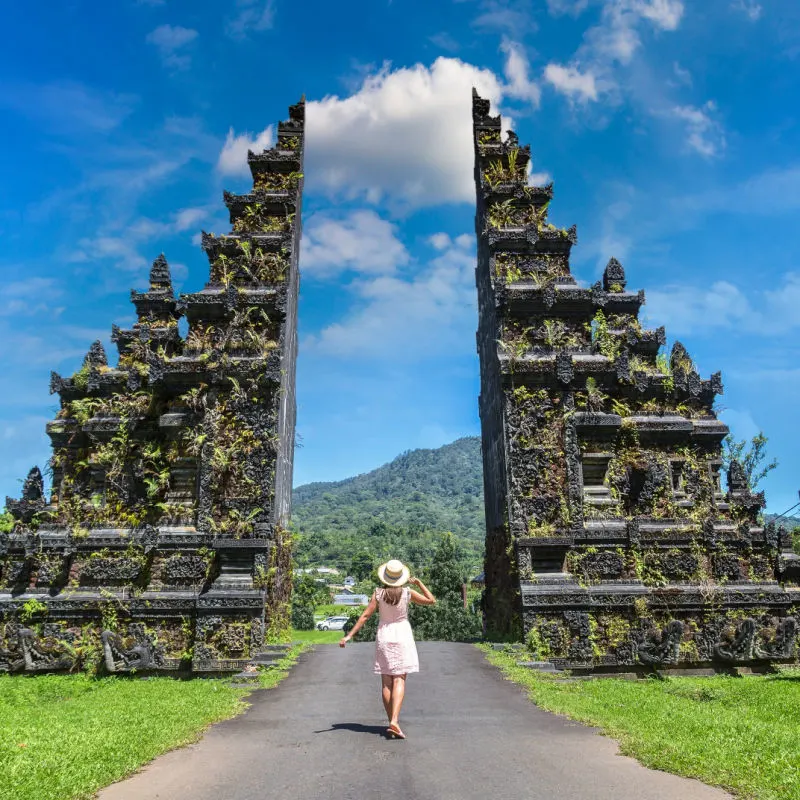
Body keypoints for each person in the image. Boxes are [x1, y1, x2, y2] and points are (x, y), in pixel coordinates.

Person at [339, 559, 436, 739]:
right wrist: (420, 583)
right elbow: (431, 600)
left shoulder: (378, 593)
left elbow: (365, 615)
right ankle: (395, 720)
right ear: (402, 578)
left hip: (384, 635)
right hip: (403, 635)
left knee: (386, 682)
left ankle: (392, 721)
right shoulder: (408, 593)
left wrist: (349, 635)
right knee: (399, 679)